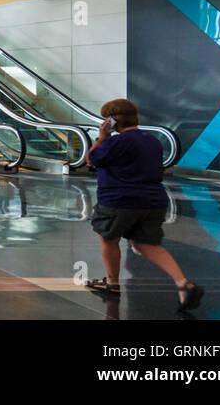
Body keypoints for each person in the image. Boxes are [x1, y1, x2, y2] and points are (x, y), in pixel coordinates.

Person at [85, 99, 202, 311]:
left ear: (111, 121)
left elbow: (92, 158)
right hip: (153, 201)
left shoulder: (115, 142)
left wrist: (103, 137)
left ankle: (112, 283)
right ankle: (183, 283)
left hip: (118, 201)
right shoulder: (152, 140)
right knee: (145, 244)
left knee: (109, 238)